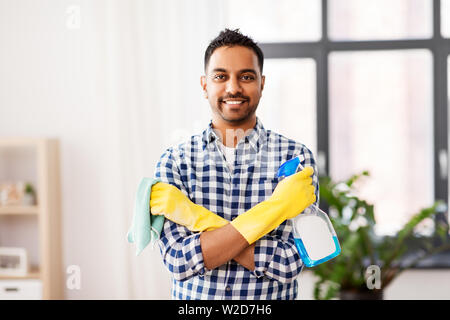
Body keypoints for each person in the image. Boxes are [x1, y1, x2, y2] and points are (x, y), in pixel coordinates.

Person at [150, 28, 319, 300]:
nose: (233, 87)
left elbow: (291, 262)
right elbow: (179, 261)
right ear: (205, 85)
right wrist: (275, 209)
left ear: (262, 84)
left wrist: (206, 233)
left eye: (246, 76)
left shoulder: (295, 158)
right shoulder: (175, 161)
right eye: (220, 76)